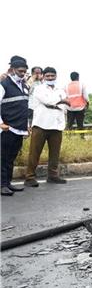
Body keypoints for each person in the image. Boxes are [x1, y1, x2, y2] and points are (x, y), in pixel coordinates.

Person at [25, 67, 70, 186]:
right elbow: (48, 101)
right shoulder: (39, 88)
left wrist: (59, 102)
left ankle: (53, 176)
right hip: (41, 125)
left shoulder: (60, 90)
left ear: (56, 76)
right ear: (43, 77)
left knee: (55, 153)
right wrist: (61, 101)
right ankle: (29, 178)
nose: (50, 78)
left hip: (56, 125)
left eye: (52, 76)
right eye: (48, 76)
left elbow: (66, 106)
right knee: (34, 153)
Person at [1, 56, 31, 196]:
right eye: (20, 71)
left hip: (19, 129)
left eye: (24, 71)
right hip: (7, 128)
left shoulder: (24, 86)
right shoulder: (3, 85)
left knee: (11, 157)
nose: (22, 73)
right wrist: (1, 123)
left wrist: (27, 126)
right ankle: (2, 185)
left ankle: (8, 183)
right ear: (12, 70)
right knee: (3, 157)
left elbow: (24, 108)